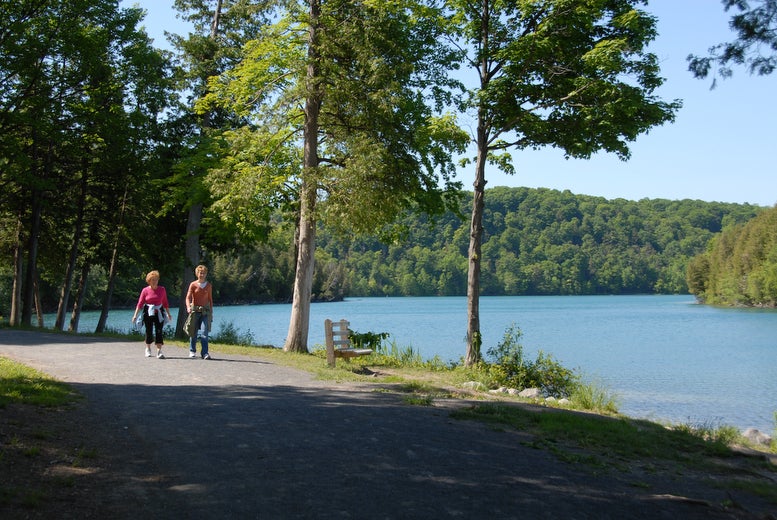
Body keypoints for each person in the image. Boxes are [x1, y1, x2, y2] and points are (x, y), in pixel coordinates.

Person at [131, 270, 171, 359]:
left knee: (159, 331)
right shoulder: (145, 290)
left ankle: (159, 351)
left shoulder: (162, 289)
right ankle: (148, 348)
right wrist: (135, 315)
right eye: (152, 280)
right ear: (149, 281)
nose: (154, 281)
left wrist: (168, 314)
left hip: (159, 312)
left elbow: (165, 302)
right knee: (149, 330)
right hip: (148, 312)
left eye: (156, 279)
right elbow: (140, 304)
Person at [186, 264, 214, 359]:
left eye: (203, 273)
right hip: (195, 311)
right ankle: (192, 350)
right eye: (200, 273)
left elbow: (210, 299)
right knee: (193, 332)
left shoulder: (209, 286)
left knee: (204, 332)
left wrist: (211, 313)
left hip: (205, 312)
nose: (201, 275)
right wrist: (188, 307)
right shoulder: (193, 285)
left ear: (206, 274)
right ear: (197, 273)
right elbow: (188, 297)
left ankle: (205, 353)